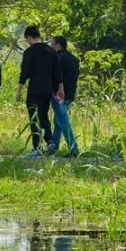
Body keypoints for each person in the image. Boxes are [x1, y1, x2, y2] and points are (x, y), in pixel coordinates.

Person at [16, 25, 63, 157]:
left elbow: (24, 73)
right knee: (44, 116)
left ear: (29, 37)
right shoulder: (51, 51)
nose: (27, 42)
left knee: (33, 118)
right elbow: (57, 73)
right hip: (48, 90)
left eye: (27, 39)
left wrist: (19, 91)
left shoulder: (29, 52)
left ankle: (37, 147)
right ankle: (50, 142)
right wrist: (60, 89)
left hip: (34, 90)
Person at [50, 36, 80, 156]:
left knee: (63, 120)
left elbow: (55, 76)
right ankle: (54, 147)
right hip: (70, 93)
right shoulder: (74, 59)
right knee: (58, 121)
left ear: (58, 44)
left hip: (59, 94)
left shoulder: (56, 58)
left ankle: (74, 149)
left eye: (52, 43)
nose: (51, 46)